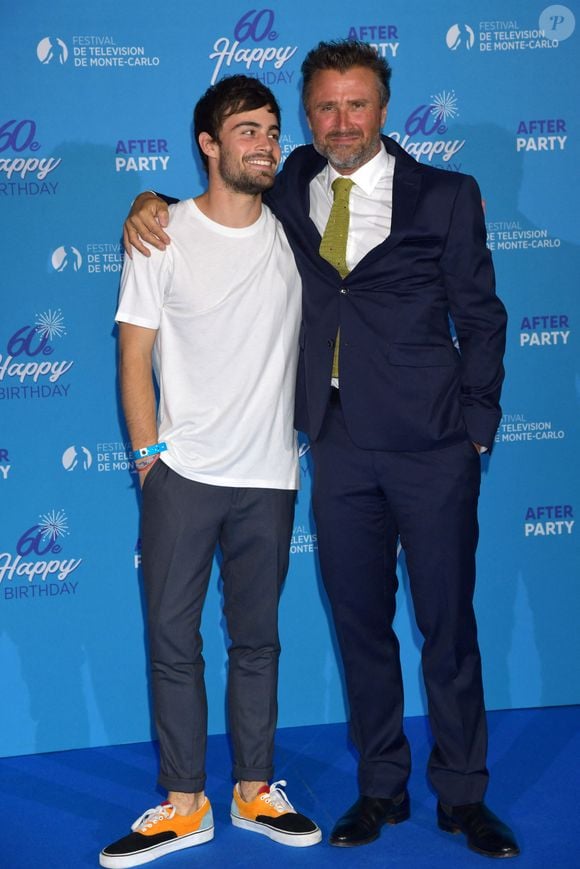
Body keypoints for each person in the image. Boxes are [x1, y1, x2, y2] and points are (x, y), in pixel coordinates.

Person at [124, 41, 519, 859]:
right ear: (310, 118)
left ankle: (463, 796)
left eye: (358, 105)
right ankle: (381, 789)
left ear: (384, 109)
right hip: (336, 449)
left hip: (434, 448)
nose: (341, 122)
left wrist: (477, 426)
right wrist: (148, 199)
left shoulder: (445, 196)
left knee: (447, 628)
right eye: (326, 108)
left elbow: (482, 318)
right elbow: (221, 189)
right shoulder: (293, 181)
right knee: (360, 628)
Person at [100, 75, 321, 869]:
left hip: (269, 476)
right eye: (248, 130)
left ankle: (254, 789)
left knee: (257, 639)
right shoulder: (160, 234)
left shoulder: (298, 228)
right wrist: (149, 461)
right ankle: (185, 803)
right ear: (209, 143)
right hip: (182, 475)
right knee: (172, 640)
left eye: (271, 130)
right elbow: (134, 356)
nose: (266, 142)